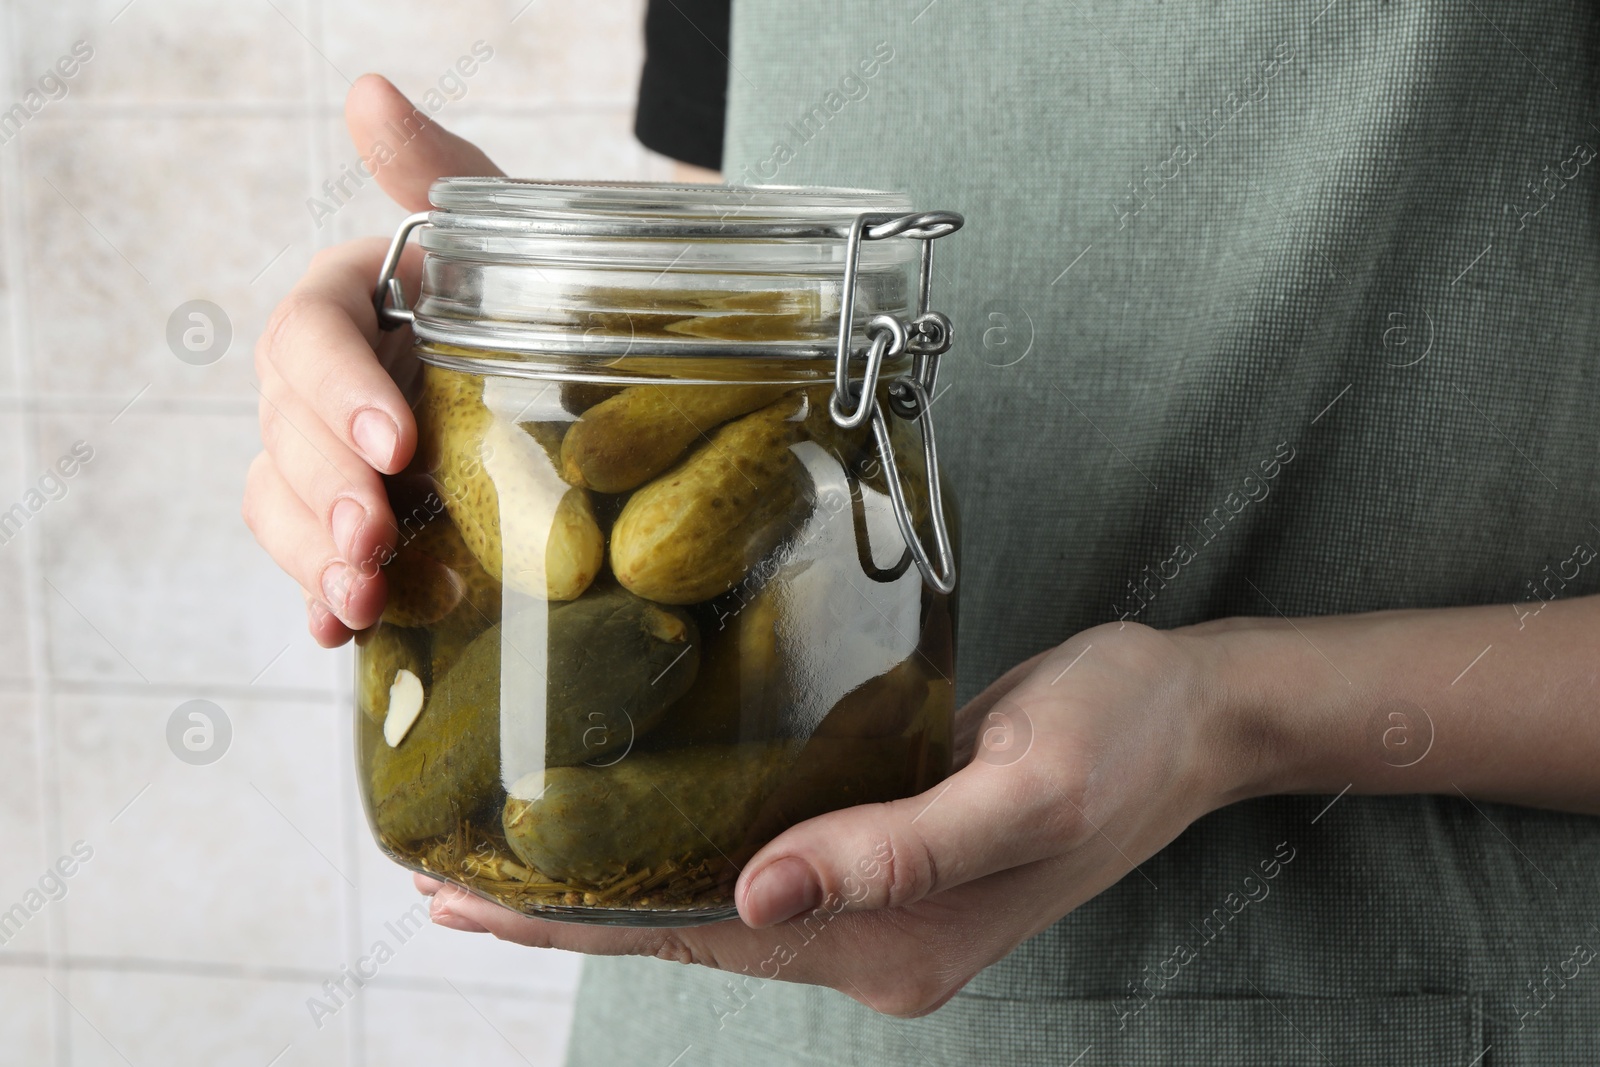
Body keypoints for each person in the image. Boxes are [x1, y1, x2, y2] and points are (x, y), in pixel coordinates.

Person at [243, 1, 1600, 1062]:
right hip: (720, 1026)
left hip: (1357, 989)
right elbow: (745, 261)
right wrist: (499, 311)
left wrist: (1229, 714)